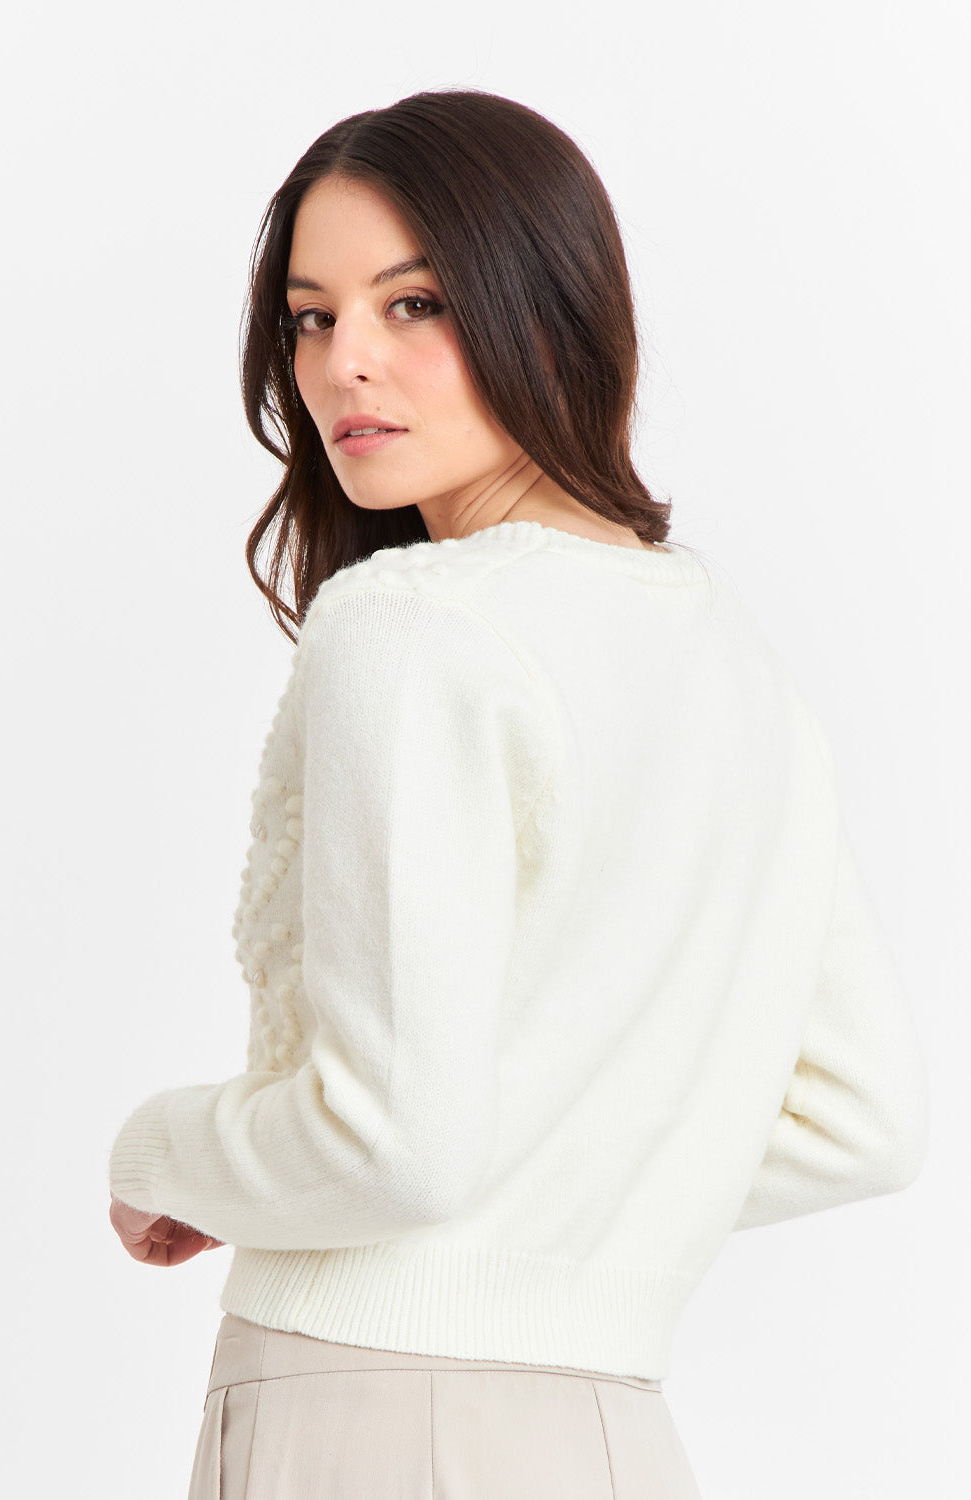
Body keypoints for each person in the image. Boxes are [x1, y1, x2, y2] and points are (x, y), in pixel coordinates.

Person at [107, 89, 930, 1499]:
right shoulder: (738, 666)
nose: (346, 363)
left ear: (546, 311)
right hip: (613, 1438)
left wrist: (157, 1153)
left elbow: (391, 1148)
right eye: (310, 318)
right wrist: (563, 1212)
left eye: (412, 304)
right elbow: (862, 1119)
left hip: (363, 1416)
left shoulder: (413, 627)